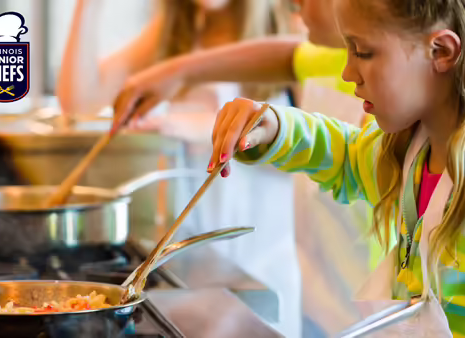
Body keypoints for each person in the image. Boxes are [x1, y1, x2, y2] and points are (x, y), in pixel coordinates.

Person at [201, 0, 465, 336]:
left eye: (362, 52)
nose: (348, 72)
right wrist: (277, 128)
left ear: (441, 51)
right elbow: (350, 156)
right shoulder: (419, 145)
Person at [58, 1, 302, 337]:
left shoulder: (293, 29)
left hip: (262, 263)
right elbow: (79, 101)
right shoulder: (175, 31)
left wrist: (206, 129)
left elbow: (323, 149)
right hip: (195, 263)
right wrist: (87, 8)